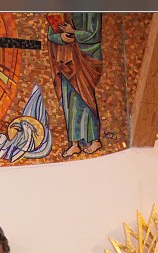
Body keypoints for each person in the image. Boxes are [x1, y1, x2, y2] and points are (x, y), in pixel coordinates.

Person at [47, 12, 103, 158]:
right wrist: (61, 37)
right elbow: (51, 34)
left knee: (85, 97)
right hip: (65, 60)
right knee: (69, 100)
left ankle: (95, 140)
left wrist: (73, 32)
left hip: (84, 58)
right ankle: (74, 144)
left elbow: (94, 35)